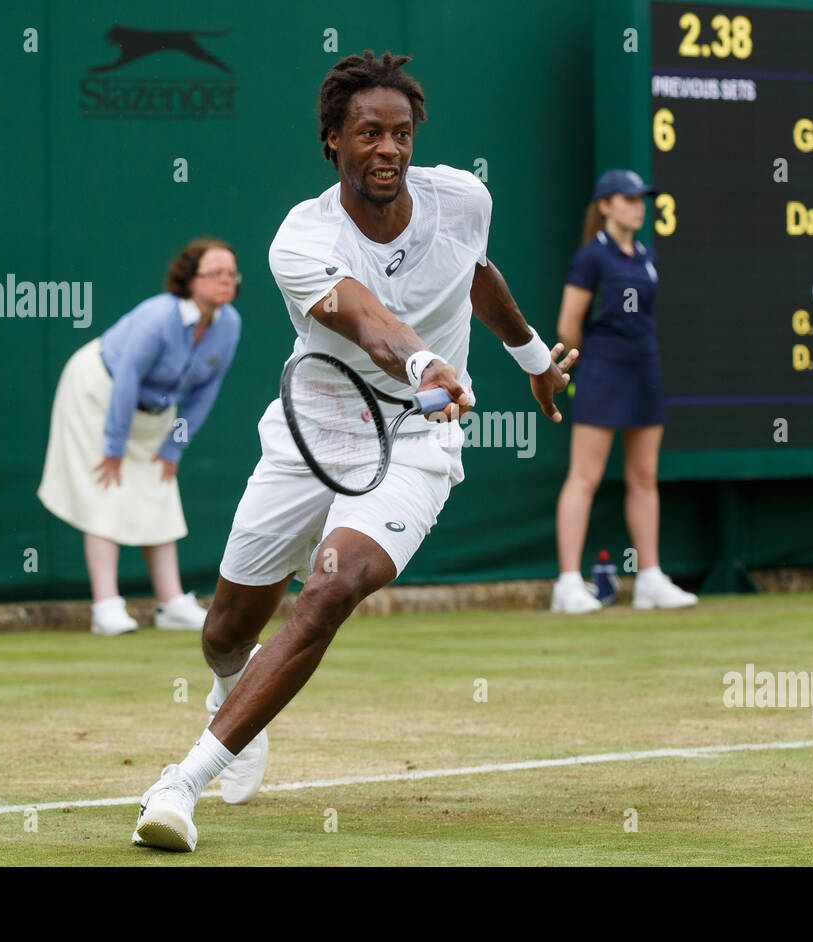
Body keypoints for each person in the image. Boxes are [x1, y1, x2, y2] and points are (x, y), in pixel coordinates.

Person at [129, 50, 576, 851]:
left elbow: (474, 277)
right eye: (369, 133)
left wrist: (534, 359)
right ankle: (238, 701)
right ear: (333, 141)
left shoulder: (463, 197)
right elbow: (363, 318)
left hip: (417, 440)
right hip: (317, 430)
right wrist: (423, 362)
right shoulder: (300, 239)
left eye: (401, 133)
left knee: (334, 587)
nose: (389, 150)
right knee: (224, 634)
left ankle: (180, 784)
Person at [37, 239, 243, 635]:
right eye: (215, 273)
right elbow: (127, 379)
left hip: (154, 413)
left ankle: (170, 603)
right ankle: (106, 606)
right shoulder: (158, 317)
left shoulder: (229, 325)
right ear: (190, 279)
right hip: (97, 392)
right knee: (105, 488)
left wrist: (174, 447)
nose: (226, 280)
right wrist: (112, 447)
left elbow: (205, 392)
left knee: (157, 489)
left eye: (231, 273)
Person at [549, 169, 698, 613]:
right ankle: (568, 584)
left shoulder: (647, 255)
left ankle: (650, 578)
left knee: (643, 476)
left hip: (645, 368)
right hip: (602, 369)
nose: (639, 205)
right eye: (629, 198)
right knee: (585, 476)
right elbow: (567, 323)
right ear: (605, 205)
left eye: (641, 199)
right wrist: (585, 362)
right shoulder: (591, 257)